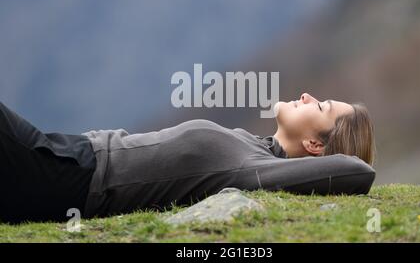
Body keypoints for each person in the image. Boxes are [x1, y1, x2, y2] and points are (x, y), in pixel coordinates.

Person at [0, 93, 376, 224]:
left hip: (67, 177)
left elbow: (357, 171)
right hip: (69, 153)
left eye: (321, 106)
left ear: (315, 147)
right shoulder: (255, 148)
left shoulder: (259, 171)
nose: (308, 96)